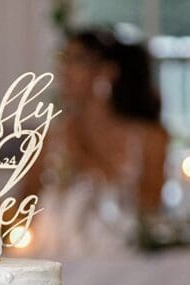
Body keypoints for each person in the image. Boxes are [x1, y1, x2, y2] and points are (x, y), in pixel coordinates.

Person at [33, 29, 168, 213]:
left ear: (106, 72)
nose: (64, 70)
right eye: (64, 59)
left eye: (77, 60)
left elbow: (150, 206)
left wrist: (86, 157)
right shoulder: (51, 138)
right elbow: (23, 207)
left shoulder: (149, 138)